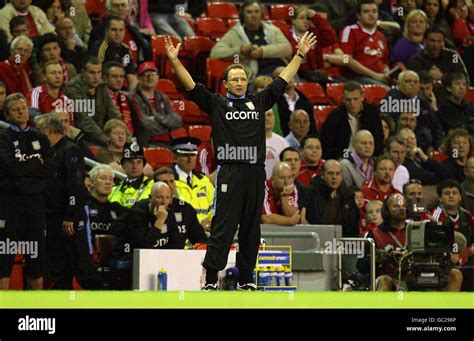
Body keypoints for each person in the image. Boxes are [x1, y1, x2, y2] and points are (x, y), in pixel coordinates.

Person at [165, 30, 317, 290]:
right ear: (225, 84)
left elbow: (282, 80)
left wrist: (300, 54)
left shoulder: (258, 102)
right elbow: (190, 87)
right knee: (223, 226)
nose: (239, 82)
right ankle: (211, 278)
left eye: (243, 78)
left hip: (255, 173)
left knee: (251, 228)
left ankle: (247, 279)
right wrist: (176, 61)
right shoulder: (216, 104)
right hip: (230, 172)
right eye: (234, 79)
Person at [35, 113, 98, 289]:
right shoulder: (48, 153)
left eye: (39, 131)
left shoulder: (70, 150)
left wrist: (70, 216)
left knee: (82, 267)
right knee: (59, 270)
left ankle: (102, 303)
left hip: (70, 217)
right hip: (52, 218)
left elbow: (75, 185)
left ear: (49, 131)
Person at [0, 93, 55, 290]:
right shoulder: (3, 138)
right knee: (3, 261)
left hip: (35, 206)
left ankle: (34, 307)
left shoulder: (40, 137)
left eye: (23, 108)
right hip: (9, 206)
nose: (21, 112)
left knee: (36, 261)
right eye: (15, 109)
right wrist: (34, 163)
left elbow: (49, 169)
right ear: (7, 115)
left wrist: (22, 171)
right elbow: (8, 169)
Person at [358, 193, 463, 291]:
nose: (401, 209)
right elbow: (360, 265)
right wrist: (376, 258)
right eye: (396, 206)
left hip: (422, 273)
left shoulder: (421, 227)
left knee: (455, 275)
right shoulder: (374, 234)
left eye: (403, 206)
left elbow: (453, 242)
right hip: (394, 278)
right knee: (384, 281)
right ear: (386, 210)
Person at [209, 0, 292, 79]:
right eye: (249, 12)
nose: (253, 15)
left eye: (256, 12)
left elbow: (287, 48)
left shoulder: (272, 30)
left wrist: (262, 52)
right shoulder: (234, 33)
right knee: (282, 75)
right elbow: (215, 53)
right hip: (256, 76)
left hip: (280, 68)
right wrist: (240, 50)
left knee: (285, 73)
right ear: (243, 16)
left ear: (262, 14)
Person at [64, 56, 124, 145]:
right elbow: (84, 121)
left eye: (99, 72)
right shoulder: (74, 88)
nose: (96, 77)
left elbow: (114, 114)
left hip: (101, 137)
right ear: (83, 73)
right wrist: (106, 140)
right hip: (82, 139)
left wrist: (127, 139)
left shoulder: (101, 86)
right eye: (92, 73)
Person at [382, 70, 444, 153]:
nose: (412, 84)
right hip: (402, 147)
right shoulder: (392, 99)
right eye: (408, 81)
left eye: (416, 82)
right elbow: (390, 126)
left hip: (427, 149)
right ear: (399, 84)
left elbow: (437, 127)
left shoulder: (423, 102)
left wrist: (435, 147)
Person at [321, 81, 384, 160]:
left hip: (368, 158)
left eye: (355, 99)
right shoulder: (334, 117)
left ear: (362, 97)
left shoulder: (372, 113)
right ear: (343, 99)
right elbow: (327, 147)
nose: (352, 103)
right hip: (343, 158)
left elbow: (379, 142)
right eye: (348, 99)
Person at [130, 61, 183, 145]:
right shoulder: (134, 97)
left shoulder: (162, 97)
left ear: (158, 77)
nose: (149, 77)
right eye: (145, 74)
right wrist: (166, 126)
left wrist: (157, 118)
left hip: (168, 141)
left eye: (152, 74)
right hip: (146, 141)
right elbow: (144, 125)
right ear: (139, 78)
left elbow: (178, 121)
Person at [338, 0, 390, 86]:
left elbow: (384, 63)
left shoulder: (381, 36)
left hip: (379, 78)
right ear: (358, 15)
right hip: (356, 79)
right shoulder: (350, 31)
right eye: (366, 11)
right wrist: (375, 76)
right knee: (388, 93)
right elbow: (346, 60)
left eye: (374, 11)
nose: (371, 14)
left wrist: (387, 73)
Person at [305, 159, 359, 237]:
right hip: (317, 241)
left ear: (342, 176)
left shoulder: (348, 196)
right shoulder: (312, 193)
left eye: (338, 174)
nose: (334, 177)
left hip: (343, 243)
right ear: (322, 175)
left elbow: (353, 226)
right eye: (330, 173)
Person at [154, 166, 210, 239]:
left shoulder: (186, 208)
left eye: (171, 181)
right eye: (165, 182)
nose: (169, 185)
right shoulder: (144, 209)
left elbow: (199, 238)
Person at [171, 137, 214, 230]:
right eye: (185, 155)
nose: (190, 159)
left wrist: (211, 222)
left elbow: (215, 207)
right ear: (175, 157)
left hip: (206, 235)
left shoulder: (203, 180)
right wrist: (196, 227)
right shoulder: (168, 181)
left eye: (193, 155)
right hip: (180, 236)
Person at [89, 16, 138, 90]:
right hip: (102, 89)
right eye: (114, 30)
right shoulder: (100, 49)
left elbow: (131, 76)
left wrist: (133, 96)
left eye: (121, 30)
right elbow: (97, 77)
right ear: (106, 31)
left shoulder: (125, 50)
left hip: (119, 90)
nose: (118, 33)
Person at [432, 179, 474, 264]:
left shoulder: (467, 215)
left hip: (467, 259)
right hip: (444, 261)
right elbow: (435, 242)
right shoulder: (436, 215)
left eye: (454, 193)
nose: (451, 196)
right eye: (447, 193)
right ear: (440, 198)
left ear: (460, 197)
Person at [87, 164, 127, 243]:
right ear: (92, 182)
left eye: (111, 179)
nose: (108, 182)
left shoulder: (116, 208)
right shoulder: (83, 205)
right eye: (103, 178)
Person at [108, 140, 154, 208]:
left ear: (143, 165)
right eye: (130, 162)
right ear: (123, 165)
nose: (135, 166)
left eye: (138, 162)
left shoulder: (153, 187)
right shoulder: (114, 189)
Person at [265, 109, 289, 179]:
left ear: (274, 118)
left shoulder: (283, 142)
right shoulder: (249, 142)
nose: (266, 118)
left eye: (269, 115)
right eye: (263, 116)